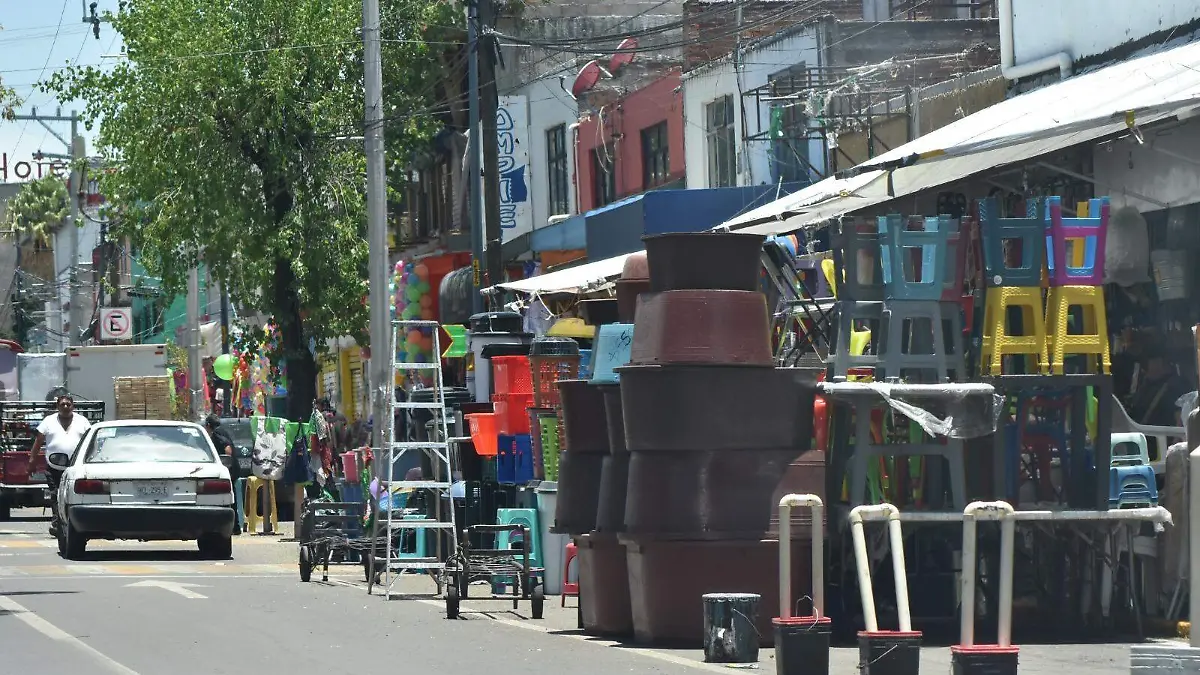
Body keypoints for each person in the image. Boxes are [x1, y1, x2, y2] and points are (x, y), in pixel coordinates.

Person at [28, 394, 92, 537]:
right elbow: (38, 442)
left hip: (76, 467)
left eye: (68, 405)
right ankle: (57, 522)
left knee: (73, 495)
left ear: (72, 406)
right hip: (54, 467)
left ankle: (73, 522)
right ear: (57, 406)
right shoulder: (48, 421)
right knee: (56, 494)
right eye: (62, 404)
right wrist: (32, 461)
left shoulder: (82, 421)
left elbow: (90, 441)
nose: (65, 407)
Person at [204, 414, 242, 535]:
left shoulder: (217, 433)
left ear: (209, 425)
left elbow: (227, 448)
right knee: (232, 497)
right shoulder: (223, 430)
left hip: (229, 468)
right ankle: (235, 527)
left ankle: (233, 526)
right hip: (234, 468)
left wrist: (225, 464)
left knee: (228, 498)